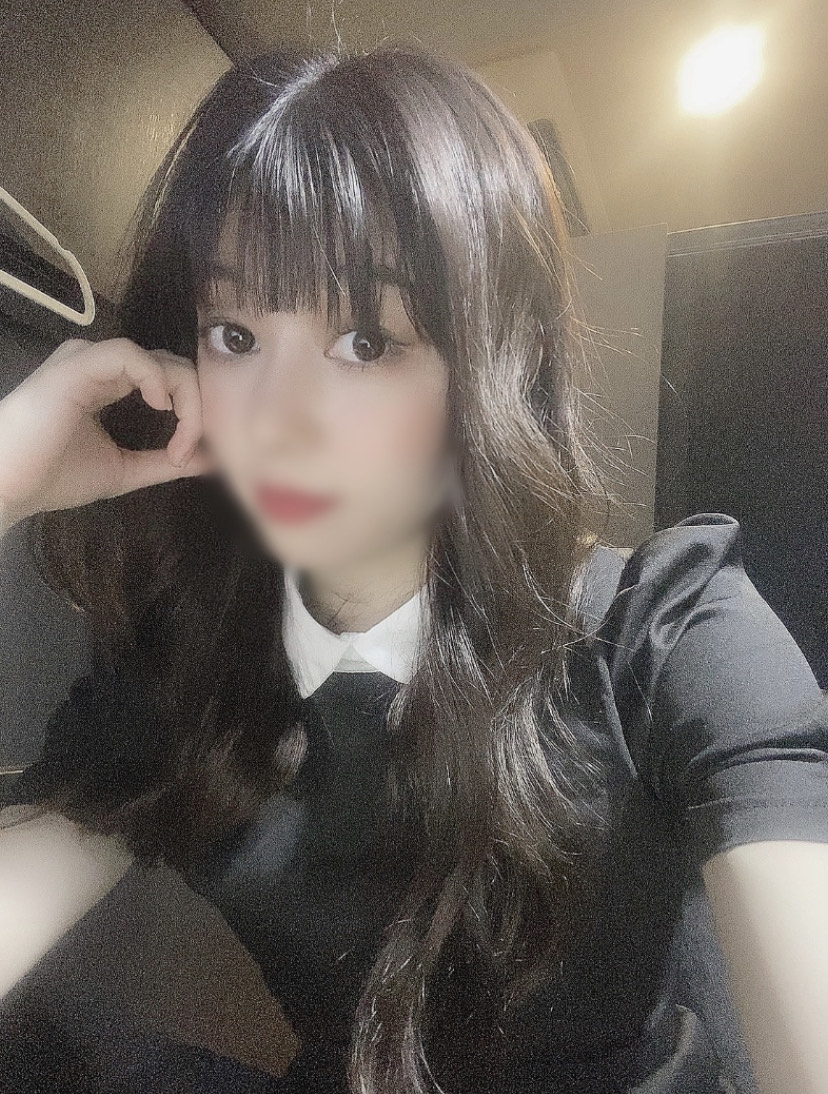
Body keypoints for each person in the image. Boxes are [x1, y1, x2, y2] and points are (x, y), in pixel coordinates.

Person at [1, 43, 827, 1094]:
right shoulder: (186, 668)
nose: (276, 422)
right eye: (234, 332)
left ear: (494, 362)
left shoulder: (664, 632)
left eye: (365, 340)